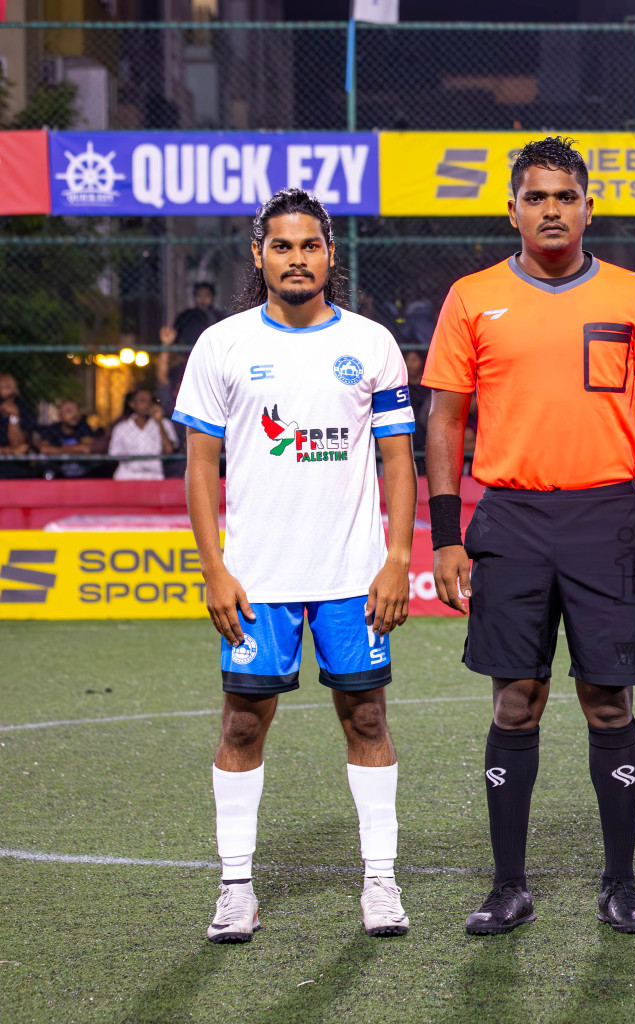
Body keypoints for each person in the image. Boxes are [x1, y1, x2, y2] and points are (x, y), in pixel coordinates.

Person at [422, 136, 635, 936]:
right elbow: (445, 420)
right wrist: (445, 534)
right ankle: (509, 886)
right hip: (510, 516)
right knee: (517, 699)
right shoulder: (472, 298)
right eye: (535, 197)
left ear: (587, 208)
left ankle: (621, 882)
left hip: (607, 513)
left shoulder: (632, 295)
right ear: (512, 209)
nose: (550, 210)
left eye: (564, 197)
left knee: (609, 701)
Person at [172, 188, 418, 943]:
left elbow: (398, 461)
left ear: (330, 254)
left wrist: (397, 557)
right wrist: (215, 569)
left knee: (368, 716)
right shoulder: (223, 345)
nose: (297, 259)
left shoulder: (372, 343)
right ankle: (236, 885)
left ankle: (380, 881)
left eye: (310, 245)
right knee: (243, 723)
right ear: (259, 256)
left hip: (351, 574)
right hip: (258, 580)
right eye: (282, 246)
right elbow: (199, 470)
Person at [108, 388, 178, 481]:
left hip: (154, 478)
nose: (147, 405)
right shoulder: (121, 428)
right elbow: (113, 453)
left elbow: (169, 450)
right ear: (132, 404)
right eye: (142, 401)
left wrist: (159, 421)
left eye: (150, 401)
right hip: (126, 478)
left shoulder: (164, 424)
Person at [35, 398, 105, 479]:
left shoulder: (84, 428)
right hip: (58, 472)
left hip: (81, 472)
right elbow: (44, 449)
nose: (74, 415)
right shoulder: (52, 429)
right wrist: (74, 450)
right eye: (69, 411)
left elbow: (86, 449)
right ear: (60, 415)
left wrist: (58, 450)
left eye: (77, 411)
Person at [160, 281, 224, 349]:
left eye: (206, 296)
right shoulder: (185, 317)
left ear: (213, 297)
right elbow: (174, 337)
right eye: (199, 296)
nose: (203, 299)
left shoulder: (220, 318)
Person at [0, 373, 37, 479]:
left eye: (15, 387)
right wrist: (10, 451)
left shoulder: (25, 410)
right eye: (7, 387)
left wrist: (14, 417)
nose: (12, 391)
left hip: (17, 465)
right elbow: (16, 450)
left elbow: (19, 445)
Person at [403, 349, 430, 475]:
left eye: (414, 360)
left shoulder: (429, 388)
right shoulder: (400, 387)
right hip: (407, 441)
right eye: (407, 360)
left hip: (426, 440)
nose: (410, 364)